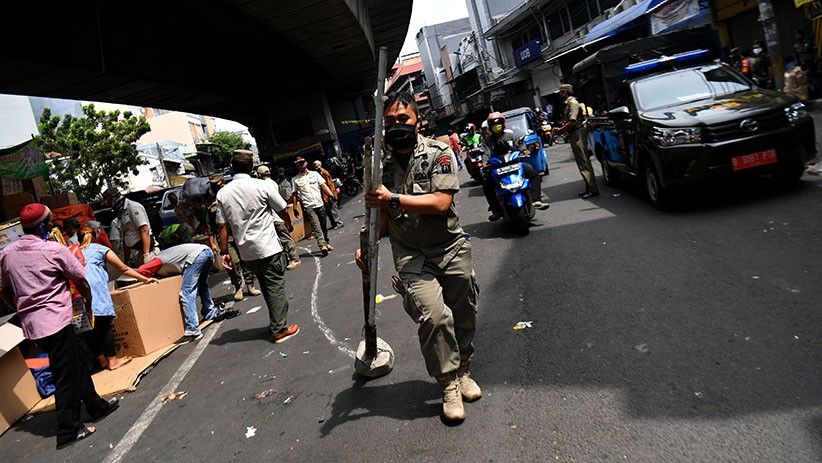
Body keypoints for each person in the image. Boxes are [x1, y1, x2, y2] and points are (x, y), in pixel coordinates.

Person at [356, 91, 481, 423]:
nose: (397, 125)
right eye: (391, 121)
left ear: (417, 121)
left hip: (450, 247)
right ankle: (448, 384)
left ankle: (464, 369)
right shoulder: (376, 167)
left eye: (404, 119)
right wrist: (367, 247)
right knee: (435, 317)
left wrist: (392, 197)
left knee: (463, 314)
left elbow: (441, 203)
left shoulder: (439, 152)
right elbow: (380, 219)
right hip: (410, 255)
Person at [0, 204, 118, 449]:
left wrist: (19, 307)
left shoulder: (7, 254)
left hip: (34, 325)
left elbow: (2, 289)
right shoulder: (52, 250)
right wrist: (88, 301)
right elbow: (80, 279)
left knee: (76, 362)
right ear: (43, 226)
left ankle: (97, 406)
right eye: (51, 222)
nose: (54, 226)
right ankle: (68, 429)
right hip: (56, 322)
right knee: (65, 376)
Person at [216, 150, 299, 344]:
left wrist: (223, 252)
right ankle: (279, 330)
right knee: (276, 287)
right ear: (252, 167)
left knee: (266, 285)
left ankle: (275, 322)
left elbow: (222, 227)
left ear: (231, 168)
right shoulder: (261, 186)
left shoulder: (222, 193)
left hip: (247, 253)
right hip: (268, 248)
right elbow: (282, 208)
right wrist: (288, 224)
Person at [75, 225, 158, 370]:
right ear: (95, 236)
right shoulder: (100, 249)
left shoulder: (74, 252)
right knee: (104, 324)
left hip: (78, 289)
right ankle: (112, 360)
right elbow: (123, 268)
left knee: (89, 325)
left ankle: (101, 360)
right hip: (95, 287)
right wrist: (144, 279)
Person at [136, 243, 217, 344]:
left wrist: (146, 279)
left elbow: (140, 270)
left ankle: (193, 331)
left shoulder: (158, 260)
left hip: (196, 256)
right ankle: (210, 312)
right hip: (206, 252)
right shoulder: (167, 257)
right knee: (202, 284)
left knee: (186, 293)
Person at [481, 111, 547, 221]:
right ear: (490, 127)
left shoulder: (511, 136)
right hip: (497, 169)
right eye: (494, 125)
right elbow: (485, 154)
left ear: (503, 124)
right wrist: (484, 162)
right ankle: (496, 210)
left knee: (534, 174)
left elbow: (521, 146)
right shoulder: (487, 142)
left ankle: (536, 199)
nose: (496, 127)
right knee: (487, 184)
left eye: (498, 124)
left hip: (515, 165)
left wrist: (525, 150)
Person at [553, 84, 599, 199]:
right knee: (581, 162)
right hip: (574, 133)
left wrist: (560, 131)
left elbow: (572, 122)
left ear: (565, 92)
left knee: (583, 161)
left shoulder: (572, 103)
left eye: (560, 92)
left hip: (577, 133)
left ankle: (592, 189)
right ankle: (589, 188)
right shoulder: (568, 104)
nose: (559, 95)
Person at [256, 166, 301, 270]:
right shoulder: (272, 183)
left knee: (284, 238)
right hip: (274, 216)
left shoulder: (265, 185)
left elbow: (280, 206)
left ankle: (294, 259)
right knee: (281, 239)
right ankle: (288, 259)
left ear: (259, 175)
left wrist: (287, 221)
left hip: (275, 216)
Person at [290, 156, 335, 256]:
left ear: (306, 163)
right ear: (297, 166)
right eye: (298, 163)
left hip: (319, 203)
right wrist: (294, 207)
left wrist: (331, 195)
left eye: (302, 162)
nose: (301, 165)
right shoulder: (295, 180)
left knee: (323, 224)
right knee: (316, 225)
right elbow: (295, 195)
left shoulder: (315, 175)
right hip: (308, 205)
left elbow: (323, 186)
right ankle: (322, 245)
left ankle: (326, 242)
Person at [102, 187, 157, 265]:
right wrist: (126, 260)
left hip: (146, 251)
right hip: (136, 253)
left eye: (108, 201)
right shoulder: (121, 212)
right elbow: (126, 236)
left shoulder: (133, 207)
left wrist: (146, 255)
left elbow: (144, 230)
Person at [312, 160, 344, 230]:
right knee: (329, 210)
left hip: (329, 193)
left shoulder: (324, 173)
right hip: (324, 195)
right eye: (315, 167)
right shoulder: (318, 174)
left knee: (333, 209)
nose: (317, 168)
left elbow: (330, 184)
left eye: (318, 166)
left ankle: (339, 223)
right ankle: (334, 223)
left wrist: (332, 194)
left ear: (321, 165)